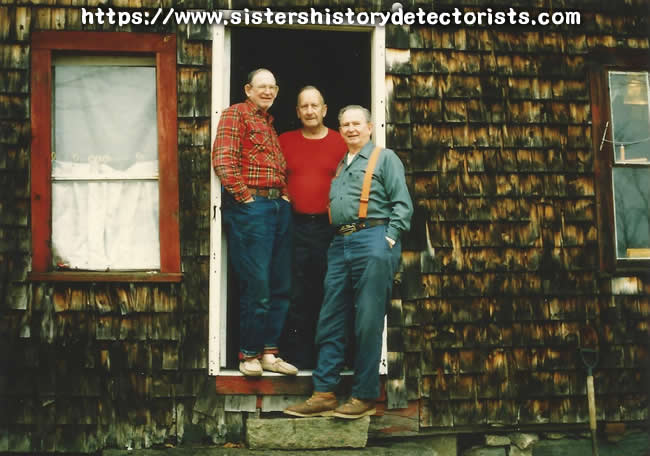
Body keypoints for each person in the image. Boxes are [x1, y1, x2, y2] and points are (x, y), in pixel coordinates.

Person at [284, 105, 413, 419]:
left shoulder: (385, 158)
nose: (351, 129)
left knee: (368, 320)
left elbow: (402, 204)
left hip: (373, 239)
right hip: (340, 242)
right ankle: (324, 392)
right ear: (339, 130)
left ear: (369, 127)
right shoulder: (342, 164)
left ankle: (364, 394)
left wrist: (390, 238)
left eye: (357, 124)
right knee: (331, 316)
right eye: (345, 125)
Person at [212, 68, 298, 377]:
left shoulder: (268, 123)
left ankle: (269, 353)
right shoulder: (237, 114)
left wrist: (284, 195)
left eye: (272, 87)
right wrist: (245, 197)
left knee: (280, 284)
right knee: (257, 284)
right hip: (253, 208)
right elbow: (223, 158)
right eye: (262, 86)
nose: (268, 91)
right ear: (248, 89)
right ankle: (248, 354)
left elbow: (278, 167)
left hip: (277, 206)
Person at [278, 86, 347, 369]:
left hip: (329, 228)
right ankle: (298, 358)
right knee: (295, 292)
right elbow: (275, 174)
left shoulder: (340, 142)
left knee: (330, 291)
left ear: (324, 109)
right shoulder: (284, 140)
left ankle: (330, 360)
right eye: (304, 106)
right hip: (293, 226)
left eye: (314, 106)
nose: (309, 111)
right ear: (297, 111)